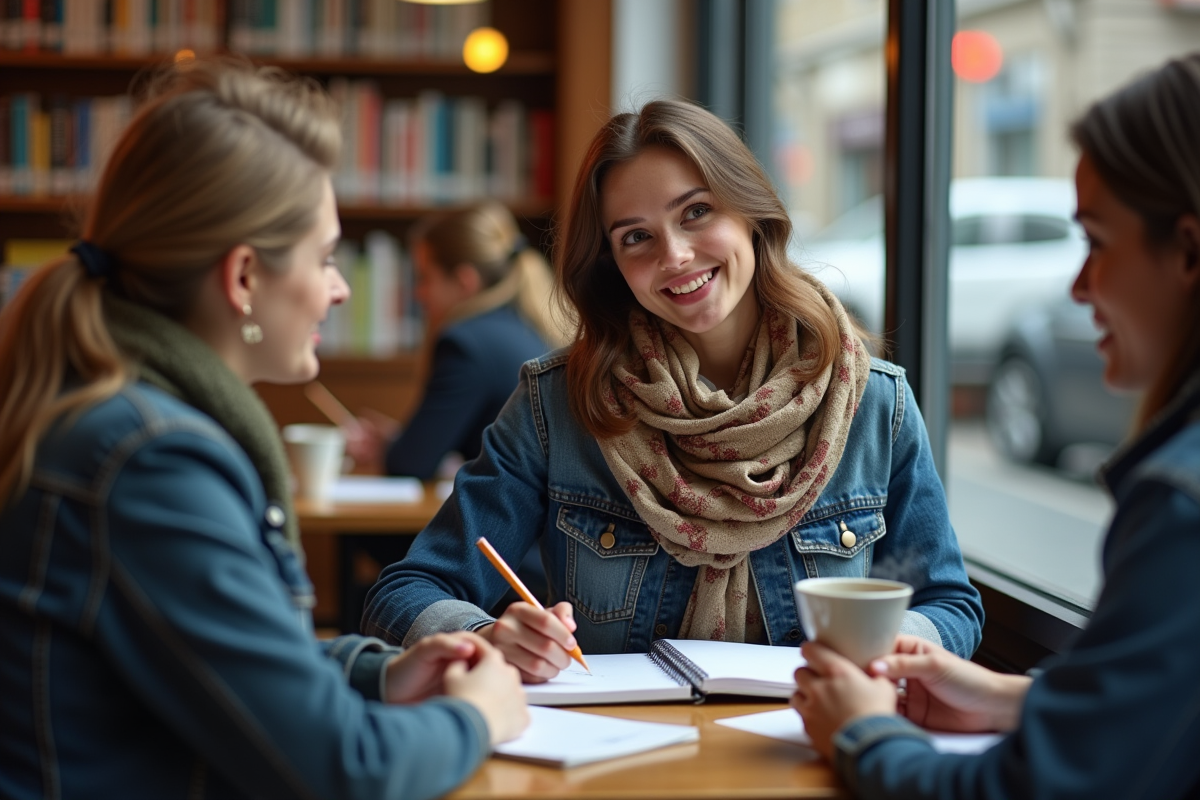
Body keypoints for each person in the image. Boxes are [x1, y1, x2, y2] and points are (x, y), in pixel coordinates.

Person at [0, 59, 527, 800]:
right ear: (244, 278)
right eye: (325, 257)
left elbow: (206, 652)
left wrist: (376, 669)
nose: (340, 289)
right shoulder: (152, 461)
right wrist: (477, 719)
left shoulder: (118, 420)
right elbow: (339, 768)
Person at [362, 97, 984, 682]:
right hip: (615, 760)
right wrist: (486, 638)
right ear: (611, 263)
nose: (677, 255)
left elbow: (948, 602)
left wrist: (890, 649)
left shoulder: (873, 403)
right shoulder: (556, 406)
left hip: (808, 753)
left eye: (696, 212)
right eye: (637, 237)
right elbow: (406, 591)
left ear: (749, 211)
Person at [791, 52, 1200, 799]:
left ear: (1189, 251)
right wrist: (1011, 698)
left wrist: (863, 733)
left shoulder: (1181, 504)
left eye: (1098, 244)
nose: (1078, 285)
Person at [345, 200, 566, 480]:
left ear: (465, 282)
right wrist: (400, 441)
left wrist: (388, 450)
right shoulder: (532, 328)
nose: (418, 295)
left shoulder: (465, 344)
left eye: (425, 278)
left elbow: (411, 464)